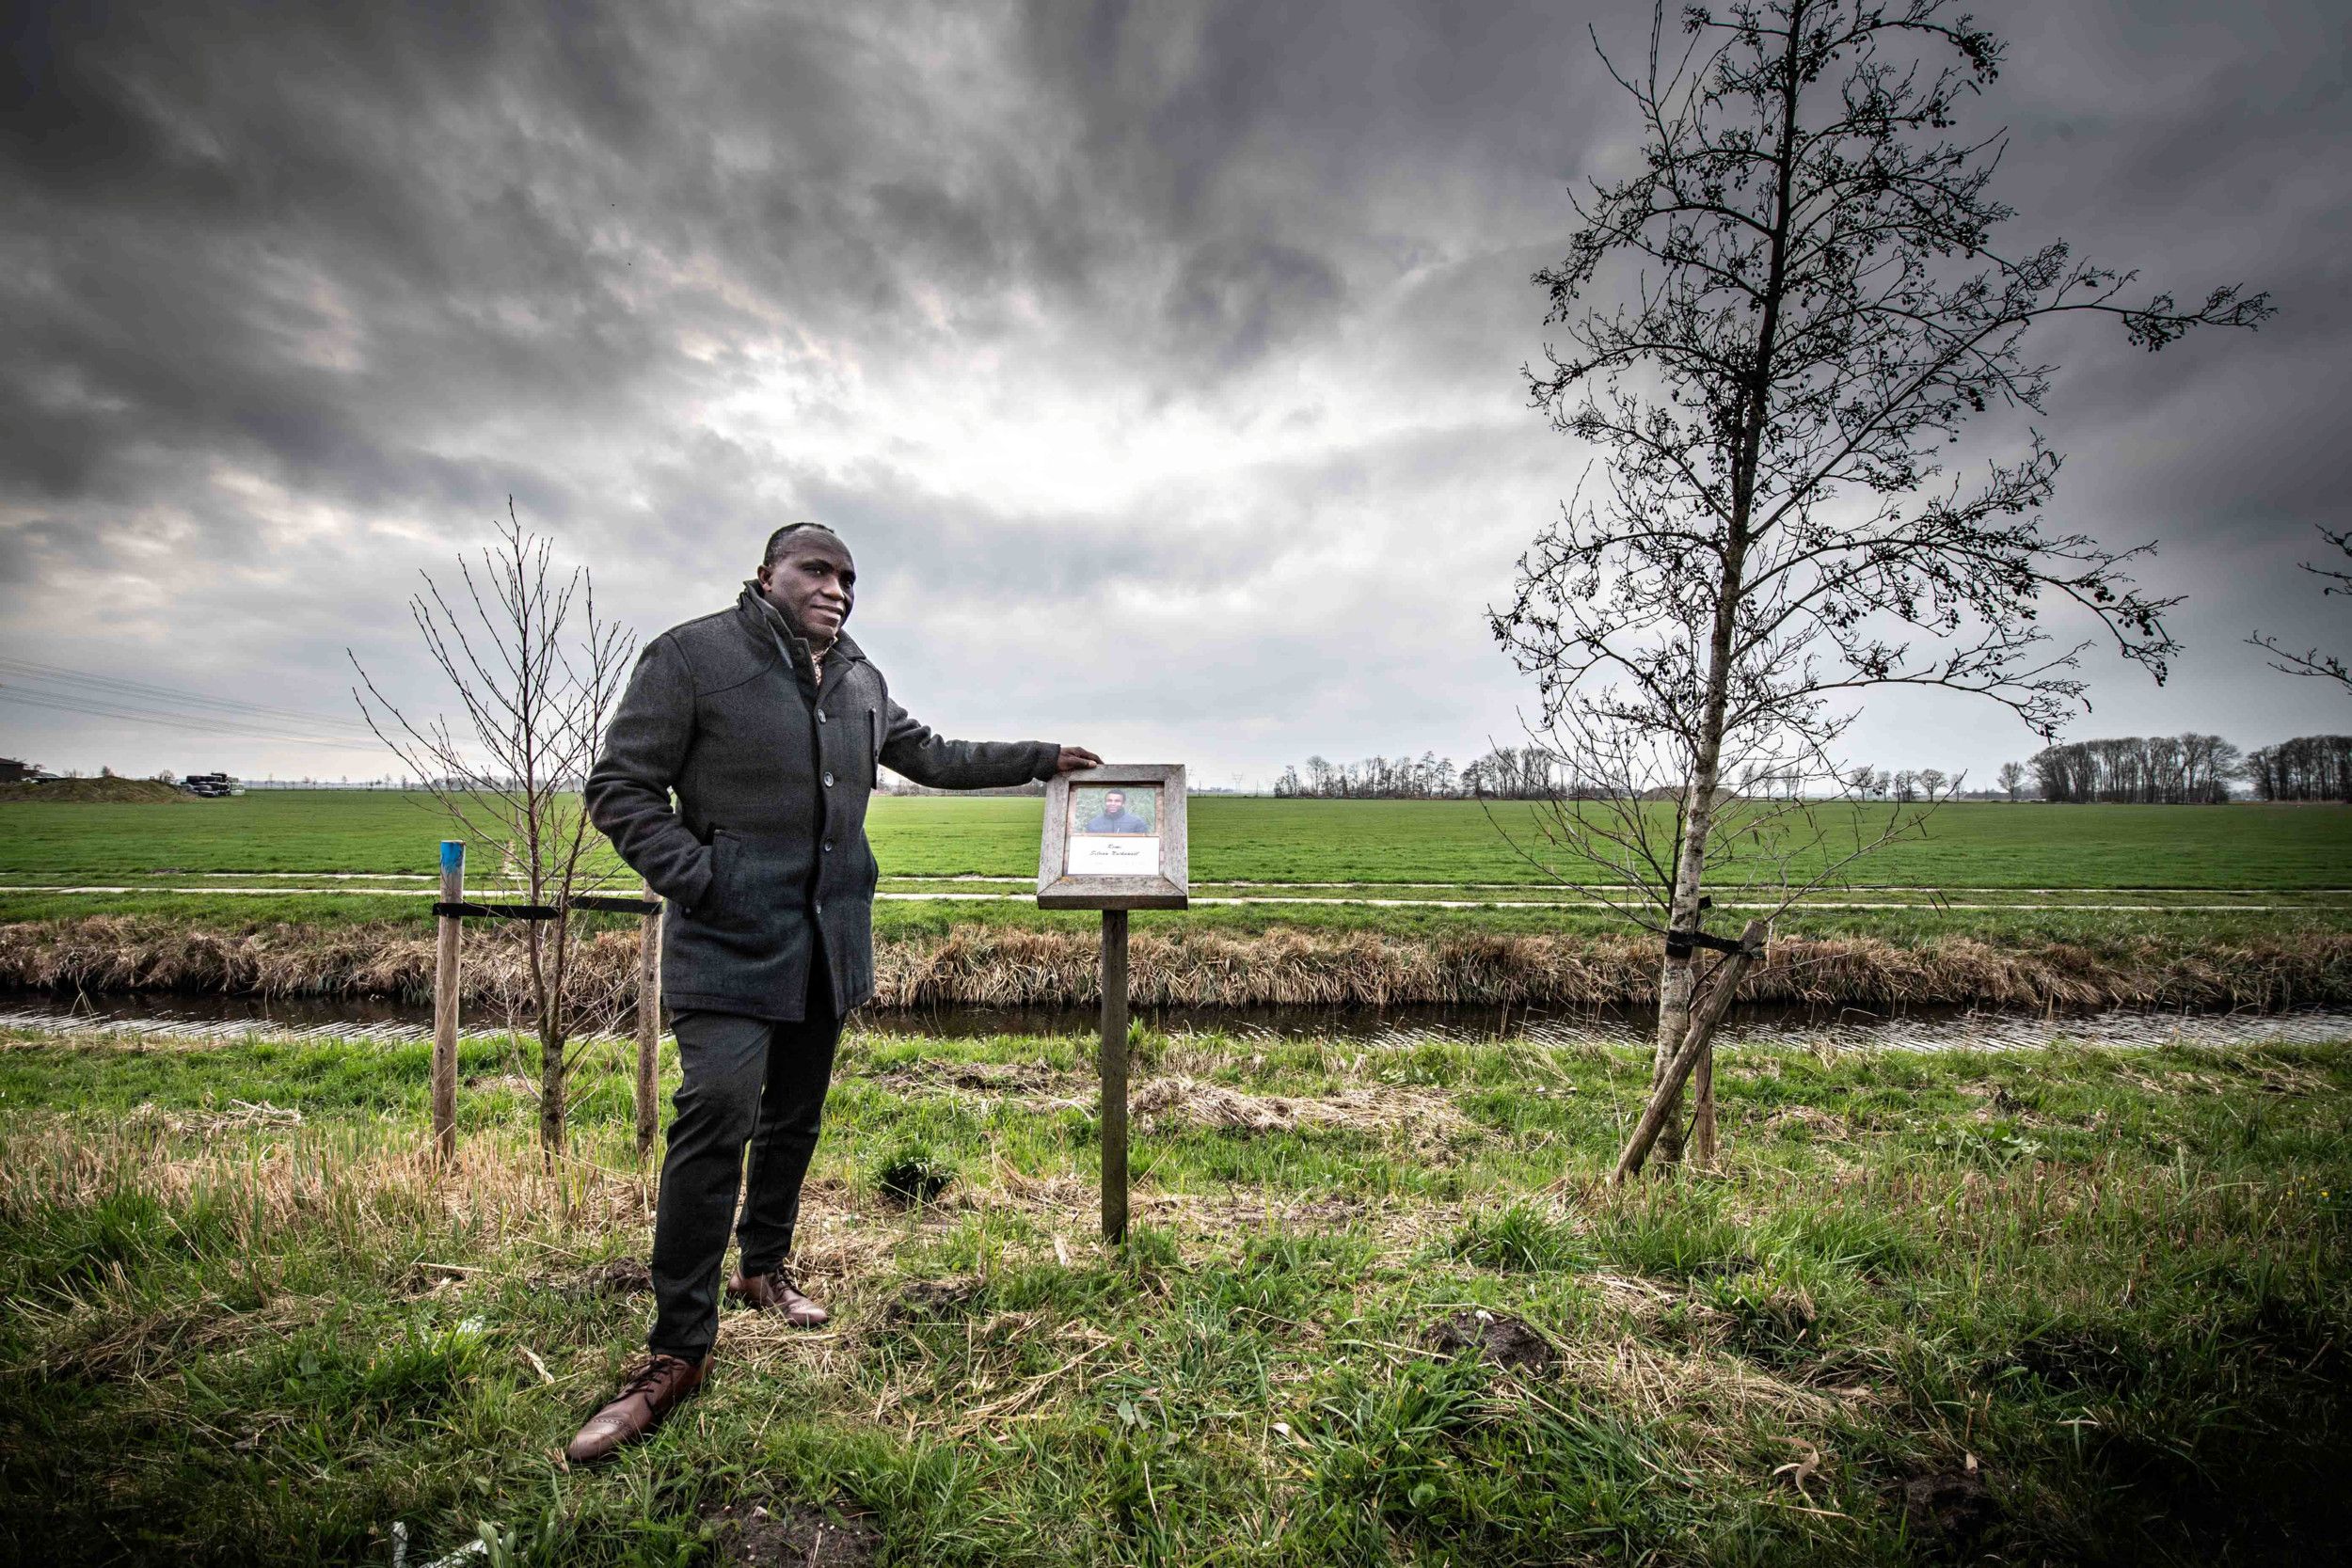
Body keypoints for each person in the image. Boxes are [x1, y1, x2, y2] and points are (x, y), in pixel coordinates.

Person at [567, 521, 1099, 1463]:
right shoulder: (692, 656)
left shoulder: (857, 675)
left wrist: (1041, 753)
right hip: (727, 940)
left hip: (827, 942)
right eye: (818, 569)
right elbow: (618, 785)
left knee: (795, 1117)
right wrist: (700, 876)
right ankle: (675, 1351)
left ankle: (763, 1266)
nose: (838, 587)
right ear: (767, 573)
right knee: (714, 1115)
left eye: (849, 576)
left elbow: (931, 753)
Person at [1079, 788, 1151, 834]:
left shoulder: (1137, 823)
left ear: (1123, 804)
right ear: (1105, 802)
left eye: (1117, 801)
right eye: (1109, 801)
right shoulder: (1093, 824)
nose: (1113, 804)